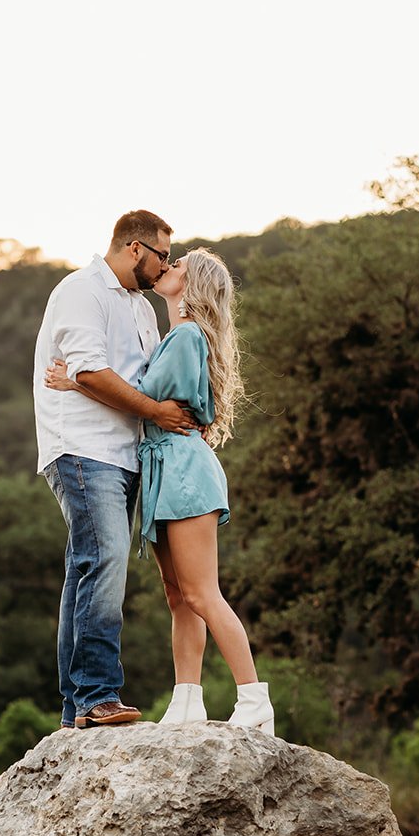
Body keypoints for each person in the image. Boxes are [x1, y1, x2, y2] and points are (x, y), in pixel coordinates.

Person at [48, 247, 274, 735]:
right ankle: (187, 700)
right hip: (164, 472)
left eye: (178, 265)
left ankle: (254, 699)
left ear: (192, 287)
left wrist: (76, 382)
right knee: (178, 595)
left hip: (184, 472)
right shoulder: (174, 336)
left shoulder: (187, 336)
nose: (167, 268)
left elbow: (146, 402)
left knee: (202, 593)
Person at [33, 211, 199, 730]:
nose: (165, 265)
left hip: (125, 453)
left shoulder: (141, 309)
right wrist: (154, 412)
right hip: (83, 449)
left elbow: (142, 378)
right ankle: (98, 695)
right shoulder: (82, 291)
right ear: (134, 248)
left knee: (86, 568)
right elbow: (91, 368)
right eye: (162, 256)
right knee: (105, 561)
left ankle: (75, 709)